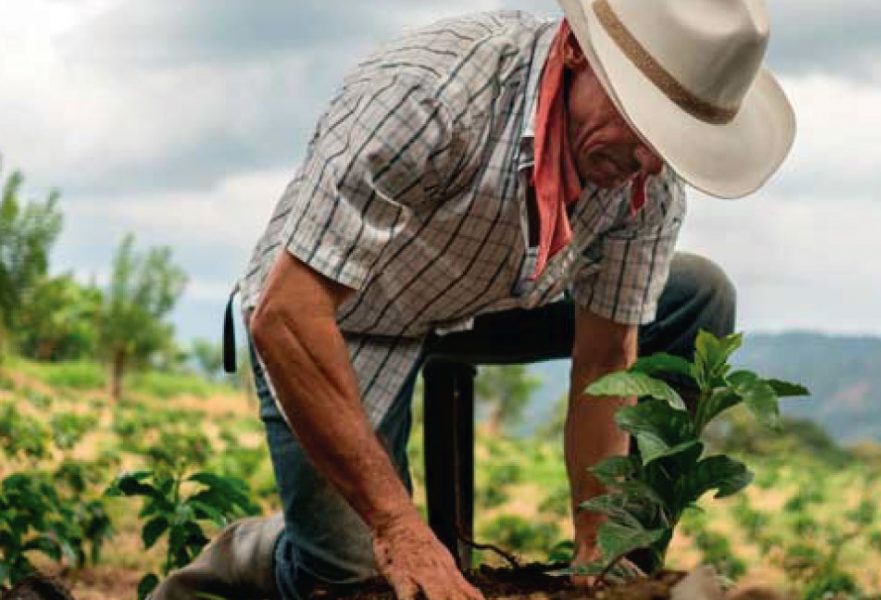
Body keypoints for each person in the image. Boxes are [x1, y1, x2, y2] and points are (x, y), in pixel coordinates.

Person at [152, 0, 794, 598]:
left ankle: (627, 574)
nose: (650, 162)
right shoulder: (430, 97)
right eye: (645, 124)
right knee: (353, 578)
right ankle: (254, 551)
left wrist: (599, 544)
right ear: (577, 53)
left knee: (698, 296)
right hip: (342, 316)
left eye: (673, 140)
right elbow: (288, 314)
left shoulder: (645, 180)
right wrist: (397, 526)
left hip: (489, 297)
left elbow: (606, 358)